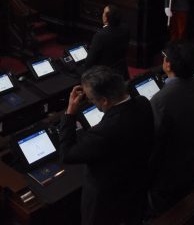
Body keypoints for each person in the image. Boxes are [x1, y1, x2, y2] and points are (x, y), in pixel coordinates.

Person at [59, 66, 154, 225]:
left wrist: (70, 113)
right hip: (137, 186)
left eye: (91, 99)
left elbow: (67, 154)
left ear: (104, 100)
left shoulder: (103, 132)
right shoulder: (143, 103)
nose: (89, 101)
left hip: (106, 203)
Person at [148, 41, 194, 215]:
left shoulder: (160, 100)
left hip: (167, 172)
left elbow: (154, 140)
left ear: (168, 64)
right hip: (190, 158)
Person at [84, 4, 130, 76]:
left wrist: (83, 76)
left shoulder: (100, 35)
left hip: (104, 75)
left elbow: (90, 60)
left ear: (105, 18)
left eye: (103, 12)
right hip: (121, 71)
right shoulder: (126, 29)